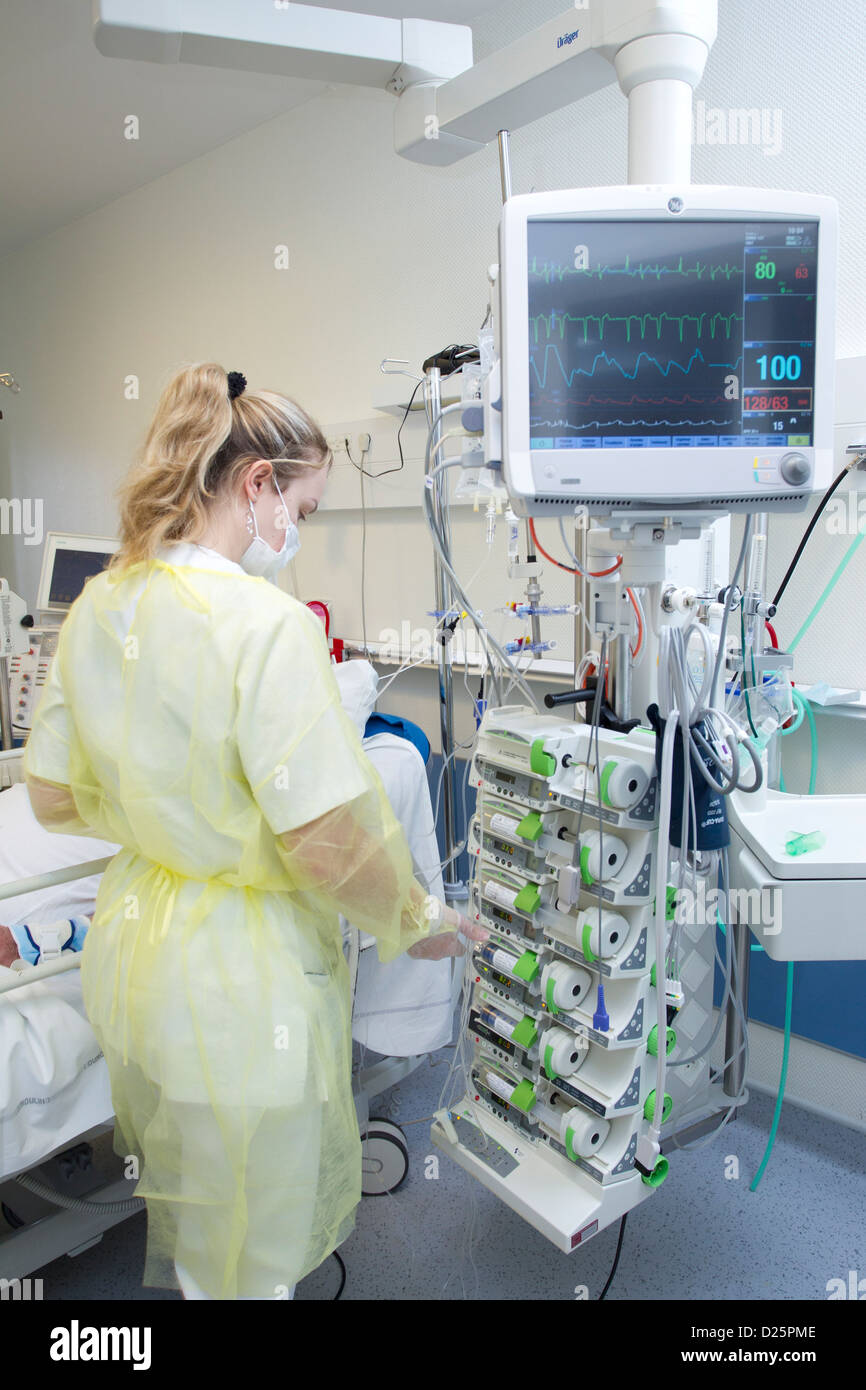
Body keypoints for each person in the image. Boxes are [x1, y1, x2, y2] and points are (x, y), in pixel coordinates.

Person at [22, 362, 487, 1301]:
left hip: (140, 956)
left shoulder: (103, 605)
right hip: (245, 977)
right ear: (256, 484)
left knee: (198, 1207)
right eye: (304, 511)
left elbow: (52, 798)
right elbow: (324, 843)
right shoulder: (268, 625)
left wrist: (169, 811)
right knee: (260, 1235)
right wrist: (418, 920)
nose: (296, 535)